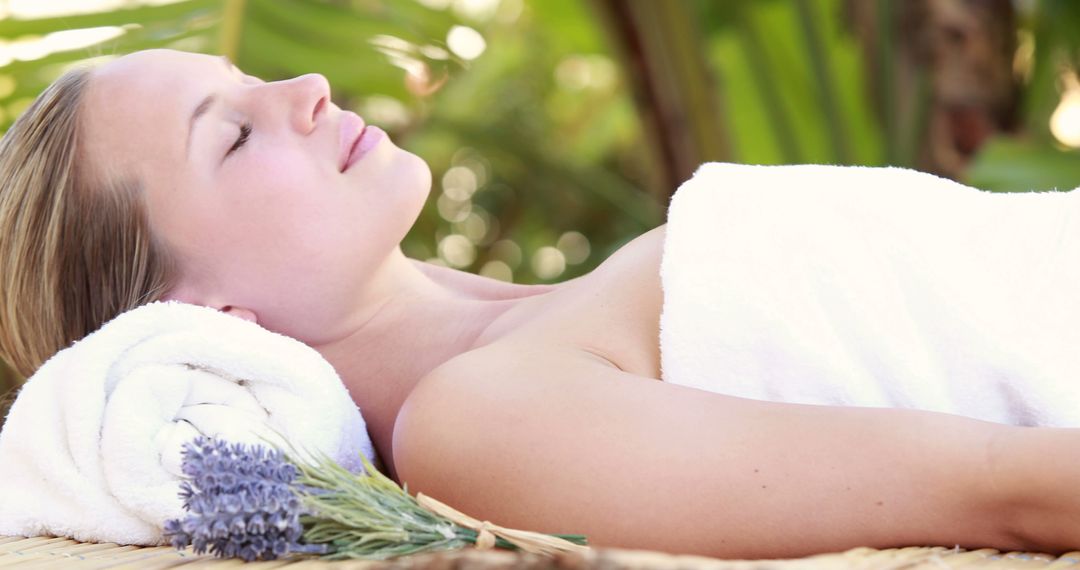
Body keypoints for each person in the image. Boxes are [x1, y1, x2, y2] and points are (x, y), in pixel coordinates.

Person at [0, 48, 1075, 559]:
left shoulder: (531, 331)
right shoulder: (485, 421)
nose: (305, 92)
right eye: (230, 135)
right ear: (208, 322)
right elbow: (1006, 491)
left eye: (250, 79)